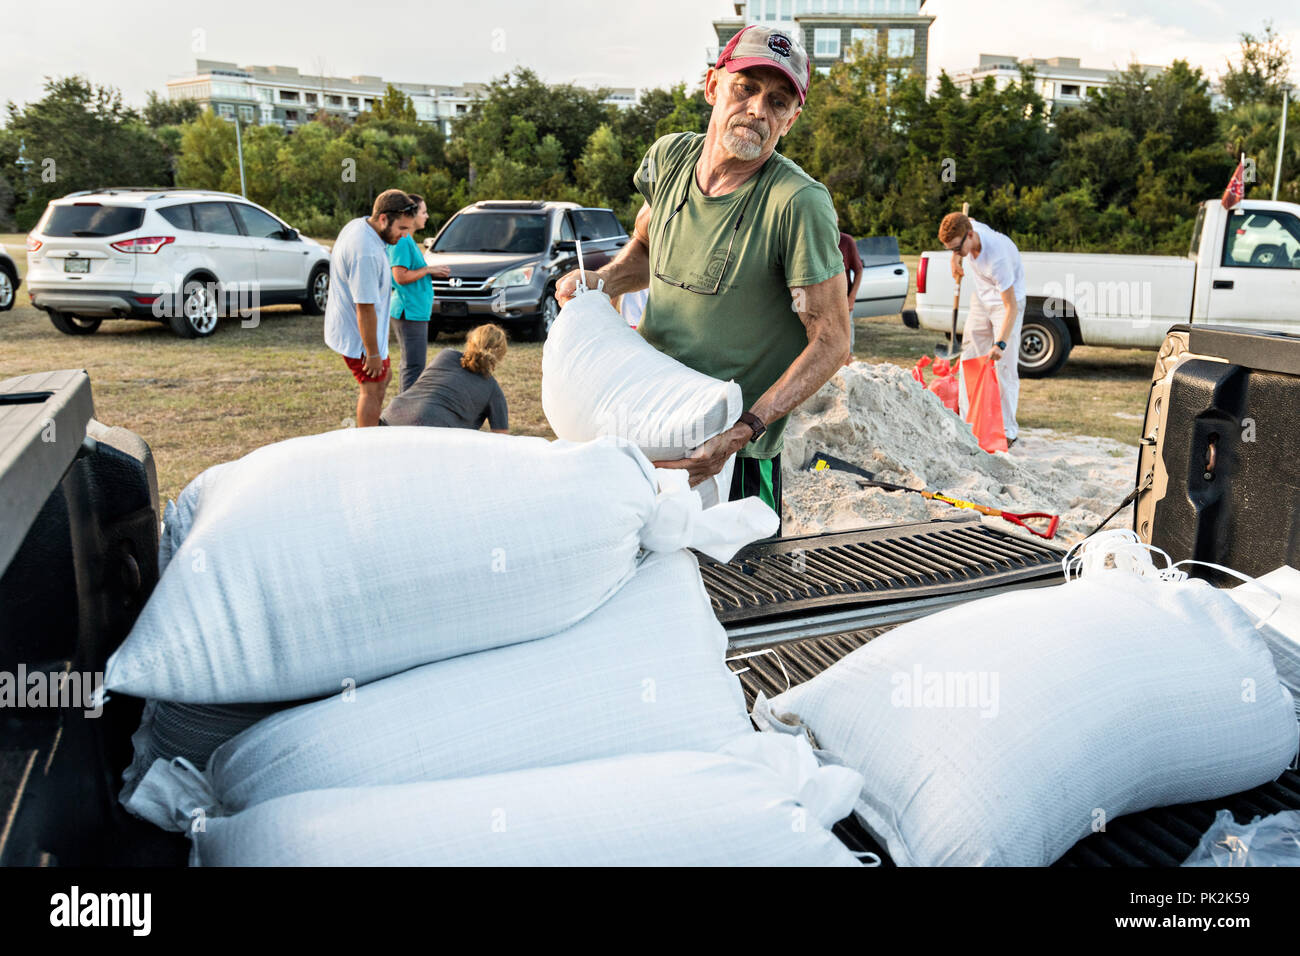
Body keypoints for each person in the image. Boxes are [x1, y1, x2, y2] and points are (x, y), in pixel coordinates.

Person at [555, 25, 849, 532]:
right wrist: (601, 282)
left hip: (730, 452)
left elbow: (833, 340)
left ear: (791, 119)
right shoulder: (669, 160)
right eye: (745, 88)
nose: (759, 109)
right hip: (644, 415)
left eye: (778, 101)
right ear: (713, 85)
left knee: (739, 590)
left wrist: (743, 430)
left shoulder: (797, 203)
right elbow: (648, 249)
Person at [324, 189, 417, 427]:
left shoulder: (361, 225)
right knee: (372, 388)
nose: (405, 236)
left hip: (363, 332)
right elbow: (364, 308)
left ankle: (374, 428)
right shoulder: (365, 253)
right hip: (359, 337)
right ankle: (366, 444)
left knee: (384, 378)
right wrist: (372, 353)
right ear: (384, 218)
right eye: (402, 229)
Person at [939, 211, 1027, 446]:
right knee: (969, 359)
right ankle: (968, 424)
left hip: (1007, 303)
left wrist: (1000, 343)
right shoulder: (968, 227)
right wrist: (954, 260)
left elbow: (1011, 308)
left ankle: (1008, 431)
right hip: (982, 299)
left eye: (957, 249)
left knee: (1005, 366)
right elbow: (959, 228)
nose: (956, 253)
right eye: (951, 249)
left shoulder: (997, 257)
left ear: (970, 235)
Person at [380, 323, 509, 432]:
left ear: (470, 341)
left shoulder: (445, 355)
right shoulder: (493, 390)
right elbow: (500, 441)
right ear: (501, 355)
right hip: (428, 430)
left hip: (390, 417)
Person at [388, 194, 452, 393]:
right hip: (409, 311)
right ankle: (406, 417)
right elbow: (400, 276)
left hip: (416, 311)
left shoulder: (408, 240)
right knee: (412, 367)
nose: (427, 216)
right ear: (411, 214)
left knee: (413, 365)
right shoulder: (403, 240)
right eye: (423, 212)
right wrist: (429, 270)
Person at [838, 228, 863, 360]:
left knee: (846, 345)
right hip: (822, 301)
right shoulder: (815, 240)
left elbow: (859, 270)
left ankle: (847, 364)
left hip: (843, 299)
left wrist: (851, 297)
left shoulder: (846, 241)